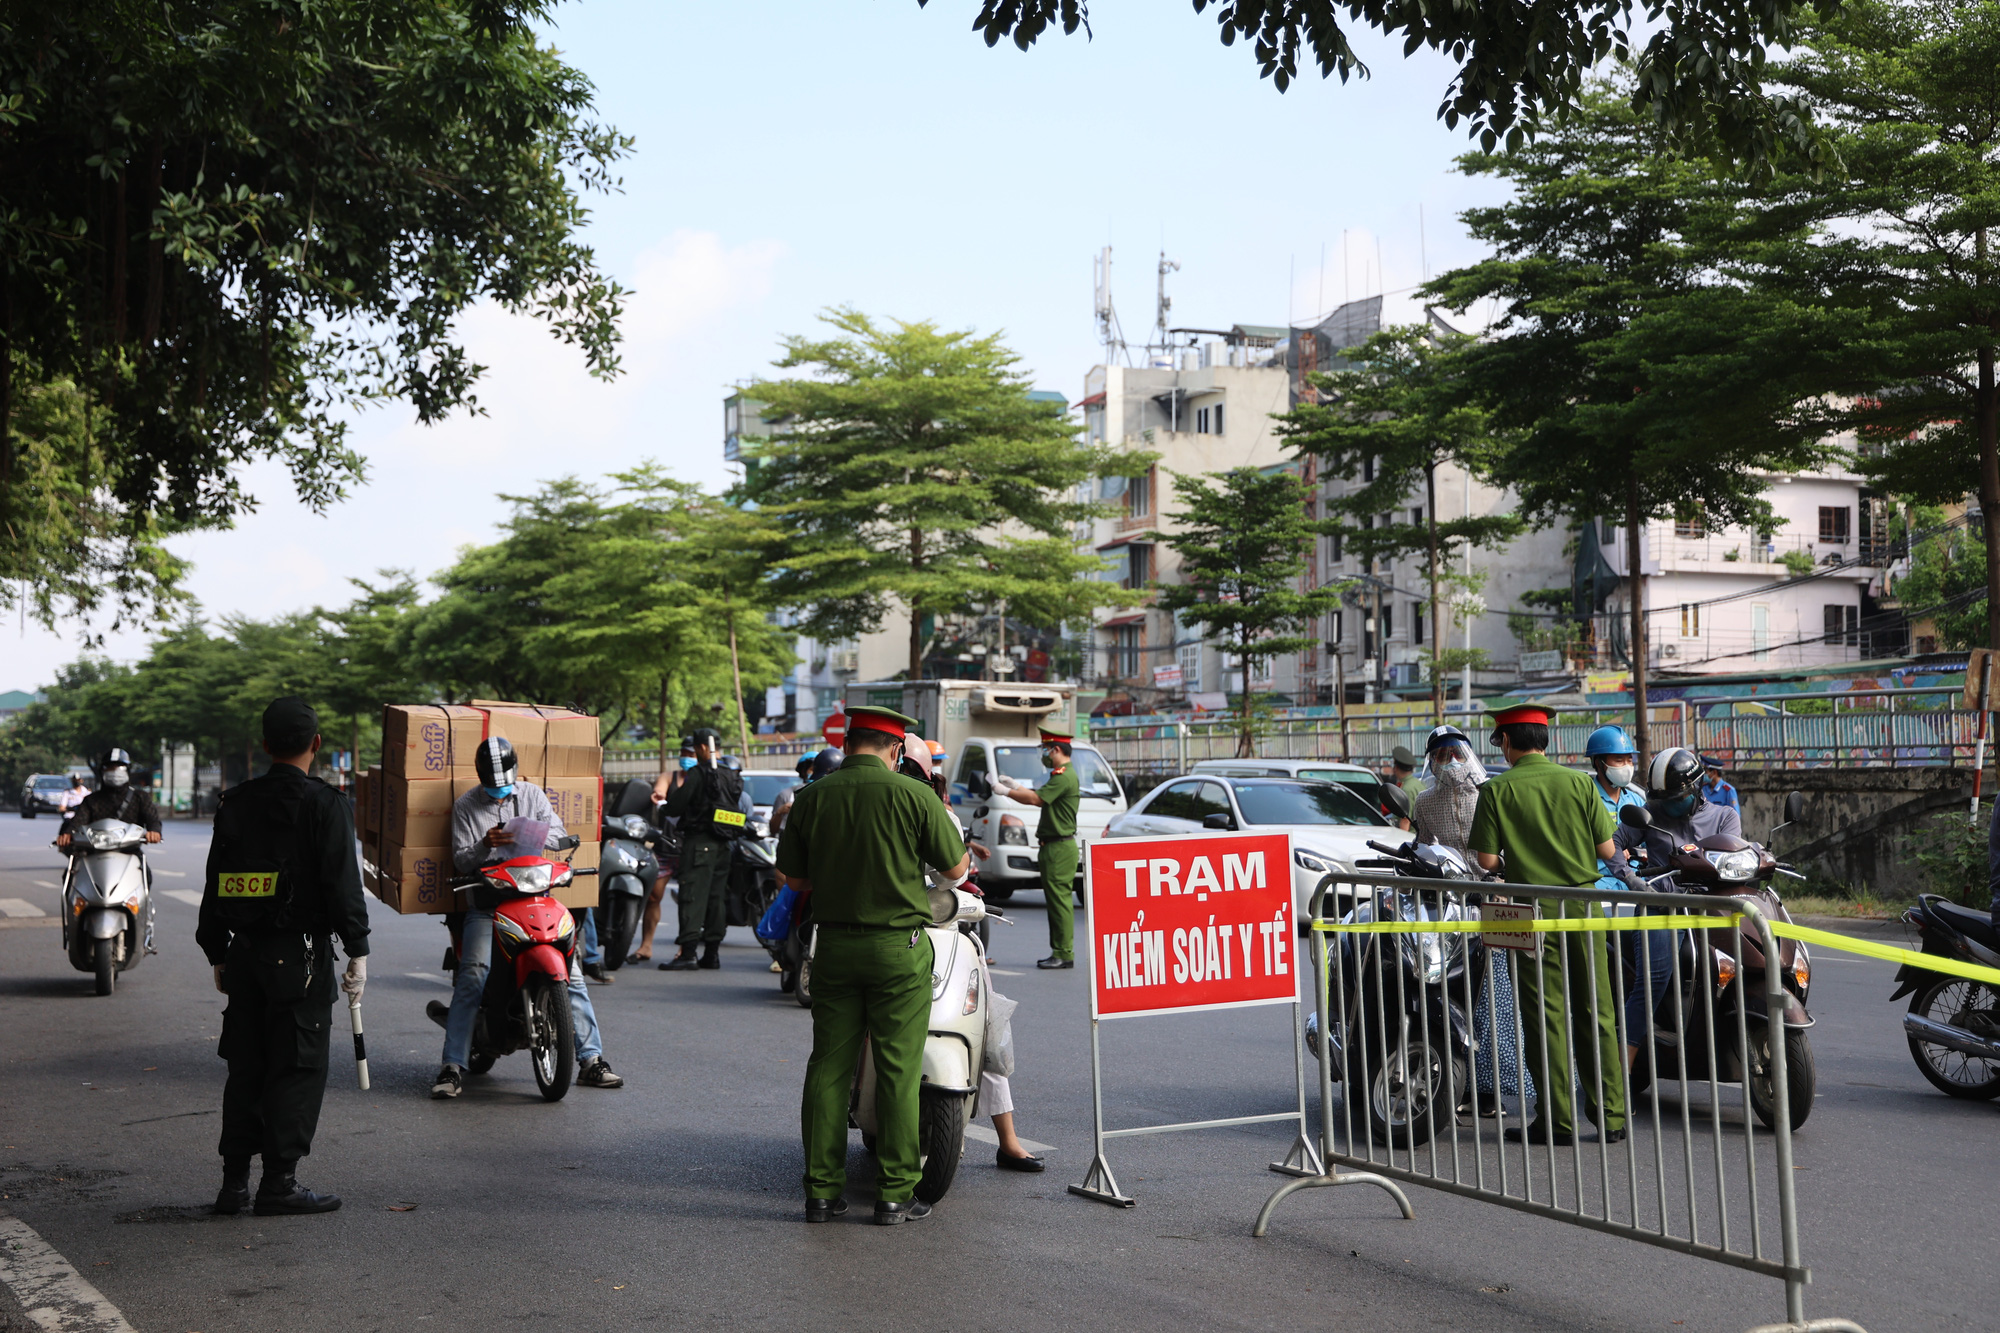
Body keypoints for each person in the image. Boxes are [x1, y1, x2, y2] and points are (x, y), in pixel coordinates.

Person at [776, 705, 970, 1225]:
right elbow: (955, 869)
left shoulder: (811, 798)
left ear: (850, 742)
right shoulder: (915, 795)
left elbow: (793, 882)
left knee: (828, 1069)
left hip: (834, 948)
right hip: (898, 951)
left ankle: (821, 1192)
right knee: (898, 1071)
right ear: (895, 750)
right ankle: (893, 1194)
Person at [195, 699, 368, 1216]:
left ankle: (233, 1185)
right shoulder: (326, 804)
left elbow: (214, 881)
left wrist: (216, 951)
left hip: (244, 956)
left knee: (245, 1065)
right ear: (317, 745)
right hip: (301, 959)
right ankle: (279, 1185)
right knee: (296, 1066)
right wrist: (357, 951)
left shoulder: (235, 801)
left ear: (266, 745)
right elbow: (344, 886)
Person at [1467, 705, 1626, 1148]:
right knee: (1598, 1010)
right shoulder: (1579, 782)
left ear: (1506, 742)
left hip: (1527, 910)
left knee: (1544, 1015)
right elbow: (1607, 846)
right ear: (1545, 740)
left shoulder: (1497, 789)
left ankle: (1557, 1121)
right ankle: (1611, 1116)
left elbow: (1486, 861)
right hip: (1583, 906)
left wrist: (1516, 853)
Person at [431, 737, 622, 1099]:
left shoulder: (533, 796)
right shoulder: (466, 806)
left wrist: (534, 834)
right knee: (473, 973)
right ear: (480, 776)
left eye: (504, 784)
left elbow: (558, 834)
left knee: (575, 974)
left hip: (535, 898)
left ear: (516, 773)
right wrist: (485, 844)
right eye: (493, 786)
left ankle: (591, 1060)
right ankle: (452, 1066)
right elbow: (461, 860)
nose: (500, 792)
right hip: (489, 906)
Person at [1411, 724, 1531, 1115]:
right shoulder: (1424, 803)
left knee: (1503, 995)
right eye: (1442, 755)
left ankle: (1496, 1089)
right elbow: (1423, 850)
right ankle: (1462, 1085)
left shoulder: (1491, 793)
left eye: (1456, 752)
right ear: (1432, 761)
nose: (1452, 761)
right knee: (1457, 991)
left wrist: (1500, 882)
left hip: (1501, 901)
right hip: (1452, 906)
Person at [1582, 726, 1671, 1068]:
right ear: (1600, 763)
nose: (1625, 765)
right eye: (1618, 759)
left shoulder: (1636, 799)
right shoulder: (1585, 796)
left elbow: (1650, 843)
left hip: (1637, 890)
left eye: (1628, 758)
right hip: (1599, 890)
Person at [657, 728, 750, 971]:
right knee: (716, 899)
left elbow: (677, 805)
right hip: (724, 846)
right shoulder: (731, 774)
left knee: (692, 897)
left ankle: (688, 954)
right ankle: (712, 953)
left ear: (700, 748)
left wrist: (664, 808)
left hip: (699, 844)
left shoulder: (699, 773)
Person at [992, 728, 1081, 970]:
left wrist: (1006, 791)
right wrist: (1016, 786)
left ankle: (1063, 952)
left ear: (1057, 750)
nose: (1044, 754)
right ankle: (1060, 951)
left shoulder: (1064, 776)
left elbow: (1036, 799)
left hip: (1059, 848)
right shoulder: (1061, 775)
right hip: (1055, 846)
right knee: (1056, 902)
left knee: (1060, 903)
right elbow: (1038, 794)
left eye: (1046, 749)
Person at [56, 749, 163, 850]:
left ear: (128, 770)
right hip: (93, 852)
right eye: (110, 767)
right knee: (72, 869)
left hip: (129, 851)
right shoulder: (91, 800)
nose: (115, 771)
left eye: (120, 767)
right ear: (102, 771)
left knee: (144, 870)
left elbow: (152, 818)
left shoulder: (140, 797)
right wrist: (68, 834)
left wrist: (154, 831)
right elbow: (79, 820)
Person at [768, 753, 817, 837]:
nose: (815, 773)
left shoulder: (828, 794)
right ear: (803, 770)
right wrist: (779, 813)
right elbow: (773, 830)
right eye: (811, 769)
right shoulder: (786, 795)